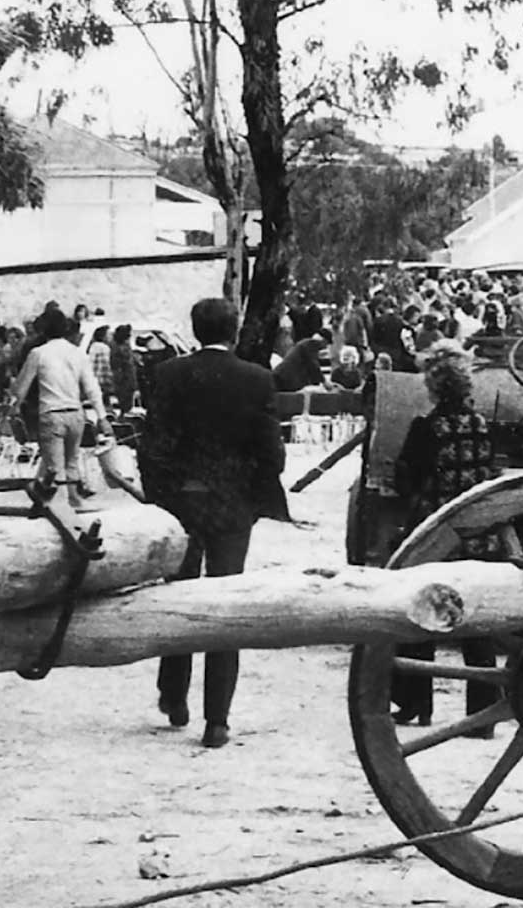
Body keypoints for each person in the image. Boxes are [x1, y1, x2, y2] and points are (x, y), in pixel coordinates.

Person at [141, 297, 290, 748]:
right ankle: (217, 718)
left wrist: (161, 496)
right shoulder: (257, 379)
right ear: (235, 329)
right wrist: (252, 488)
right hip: (231, 505)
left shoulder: (168, 375)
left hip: (181, 504)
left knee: (179, 597)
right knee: (225, 604)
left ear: (194, 328)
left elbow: (153, 445)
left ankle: (173, 693)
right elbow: (272, 453)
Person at [388, 343, 503, 730]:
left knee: (423, 616)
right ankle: (482, 713)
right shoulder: (481, 424)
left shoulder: (426, 427)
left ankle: (415, 703)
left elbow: (405, 479)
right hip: (477, 533)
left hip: (437, 532)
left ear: (433, 387)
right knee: (475, 624)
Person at [11, 306, 108, 503]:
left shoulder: (38, 354)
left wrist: (14, 407)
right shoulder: (78, 353)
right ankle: (74, 500)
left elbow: (21, 387)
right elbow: (92, 388)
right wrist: (102, 417)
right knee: (72, 461)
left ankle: (61, 506)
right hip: (76, 413)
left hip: (51, 413)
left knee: (55, 466)